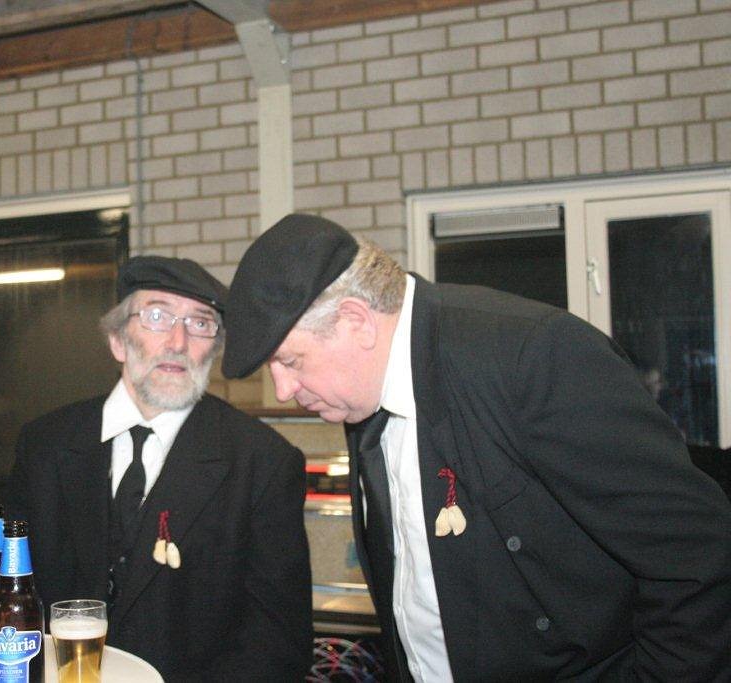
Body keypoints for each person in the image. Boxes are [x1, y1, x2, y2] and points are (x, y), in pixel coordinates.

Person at [221, 214, 731, 682]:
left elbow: (694, 556)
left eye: (291, 361)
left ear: (356, 321)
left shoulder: (531, 357)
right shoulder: (363, 396)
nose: (283, 390)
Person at [10, 256, 313, 681]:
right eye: (157, 316)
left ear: (215, 349)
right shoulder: (44, 445)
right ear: (118, 340)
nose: (178, 341)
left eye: (201, 323)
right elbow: (10, 594)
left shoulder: (262, 462)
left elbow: (277, 645)